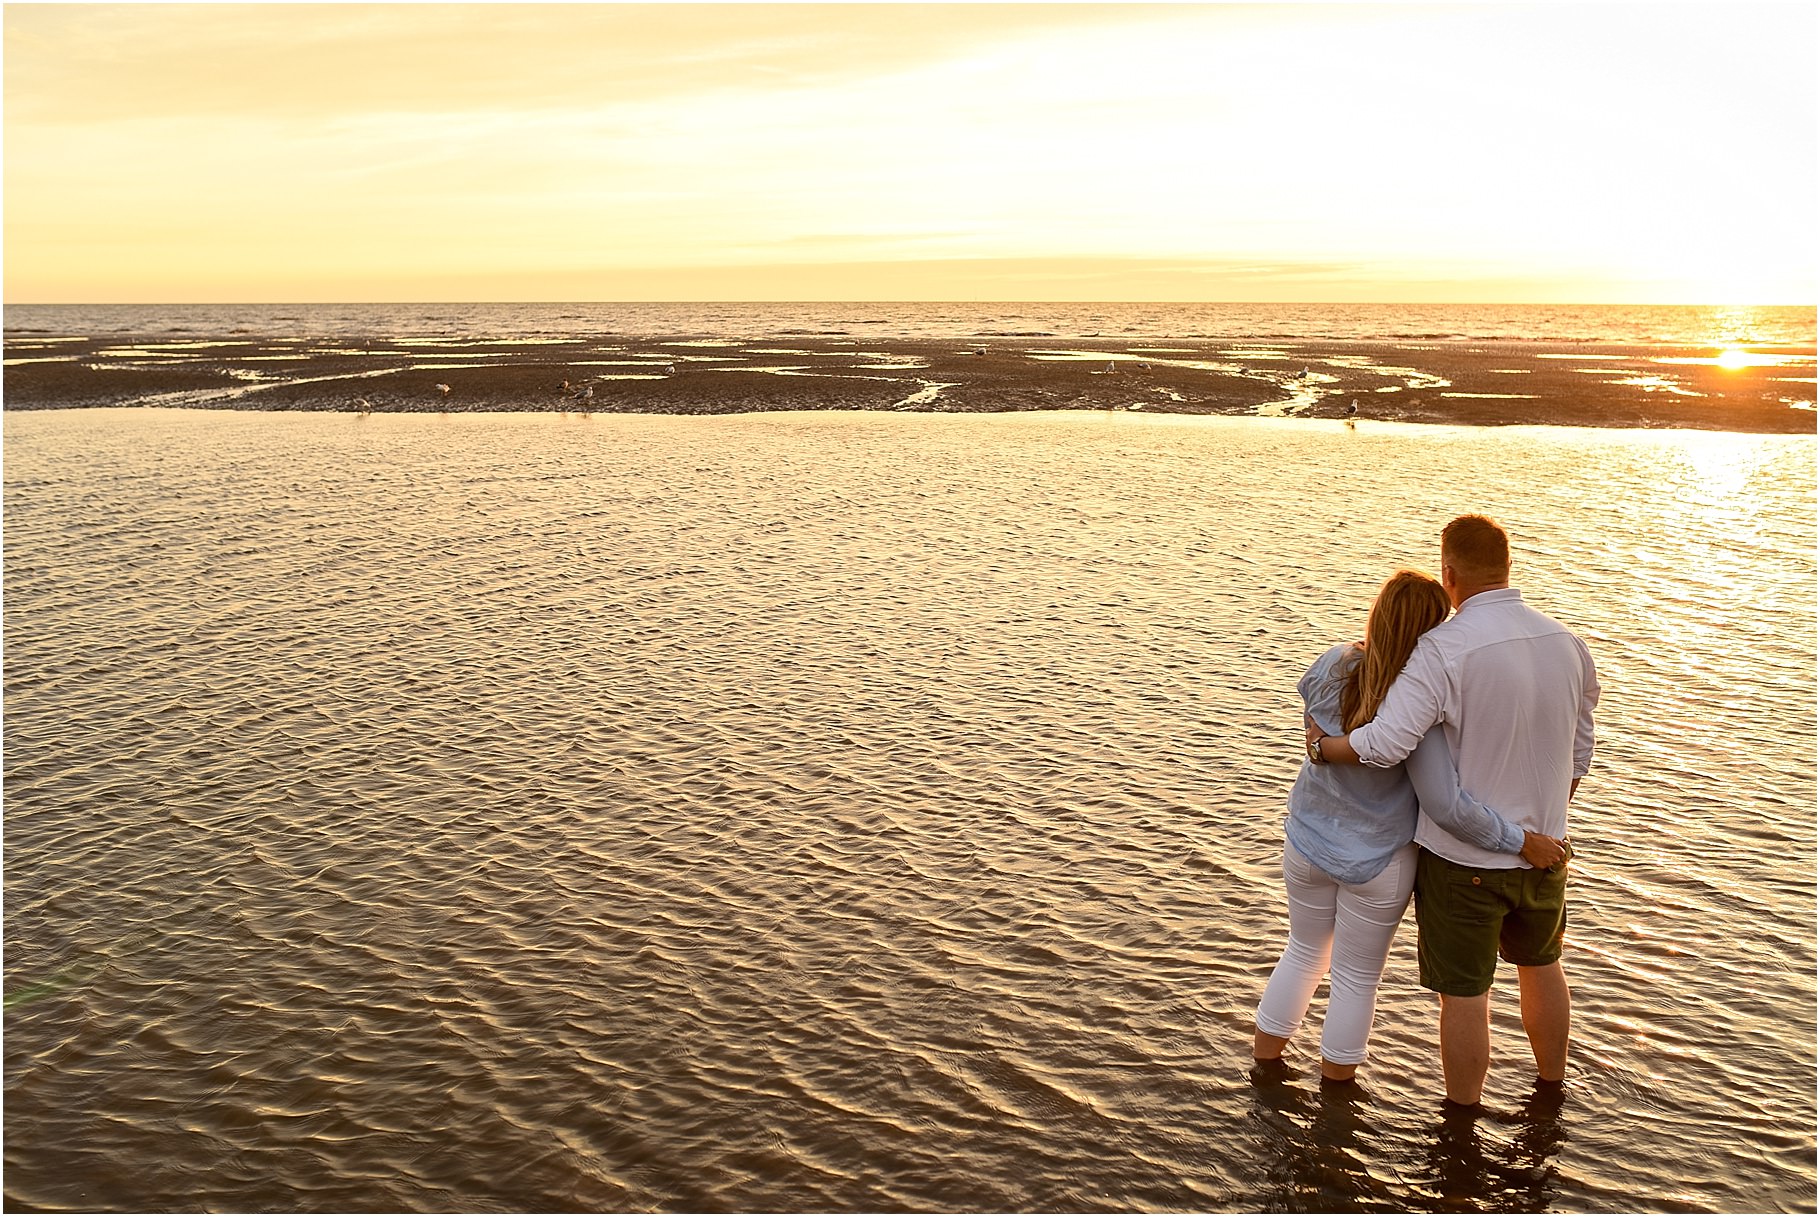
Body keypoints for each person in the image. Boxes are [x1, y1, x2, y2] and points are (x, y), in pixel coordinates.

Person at [1305, 515, 1599, 1109]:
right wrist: (1540, 825)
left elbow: (1387, 744)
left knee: (1465, 995)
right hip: (1547, 849)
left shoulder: (1442, 650)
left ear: (1449, 574)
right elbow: (1580, 750)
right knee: (1542, 967)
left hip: (1464, 861)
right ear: (1508, 565)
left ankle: (1461, 1124)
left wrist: (1323, 747)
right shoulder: (1566, 643)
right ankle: (1551, 1093)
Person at [1253, 569, 1564, 1084]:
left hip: (1307, 843)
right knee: (1356, 979)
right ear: (1432, 631)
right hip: (1378, 862)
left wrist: (1322, 747)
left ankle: (1264, 1067)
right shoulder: (1418, 705)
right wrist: (1517, 839)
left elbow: (1312, 721)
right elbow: (1446, 803)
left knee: (1303, 952)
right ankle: (1335, 1099)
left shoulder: (1334, 662)